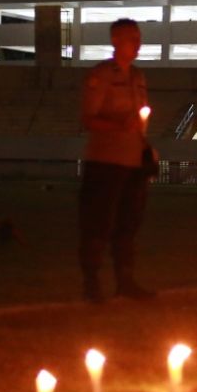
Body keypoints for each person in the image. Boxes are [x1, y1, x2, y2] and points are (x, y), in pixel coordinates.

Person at [78, 18, 155, 303]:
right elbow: (89, 118)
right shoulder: (102, 75)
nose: (137, 44)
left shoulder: (138, 77)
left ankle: (125, 280)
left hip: (133, 160)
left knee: (128, 224)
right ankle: (92, 283)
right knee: (99, 223)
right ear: (115, 41)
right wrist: (118, 124)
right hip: (106, 160)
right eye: (131, 38)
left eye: (138, 38)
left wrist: (145, 146)